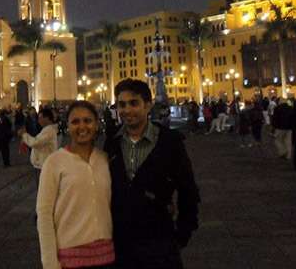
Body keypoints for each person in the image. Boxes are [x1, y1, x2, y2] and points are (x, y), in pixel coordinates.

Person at [105, 79, 200, 269]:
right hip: (121, 244)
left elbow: (188, 190)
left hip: (159, 242)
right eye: (122, 105)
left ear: (148, 105)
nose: (127, 110)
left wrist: (182, 234)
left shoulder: (169, 142)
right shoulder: (112, 142)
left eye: (134, 103)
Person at [37, 100, 115, 269]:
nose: (82, 127)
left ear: (96, 124)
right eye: (75, 121)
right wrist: (50, 263)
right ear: (67, 126)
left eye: (88, 121)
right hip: (70, 259)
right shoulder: (54, 162)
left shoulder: (104, 159)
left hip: (107, 256)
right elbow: (44, 214)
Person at [20, 108, 59, 188]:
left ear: (47, 118)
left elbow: (36, 142)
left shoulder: (49, 131)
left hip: (44, 165)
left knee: (43, 189)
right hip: (41, 164)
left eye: (40, 118)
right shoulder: (46, 130)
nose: (39, 120)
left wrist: (24, 135)